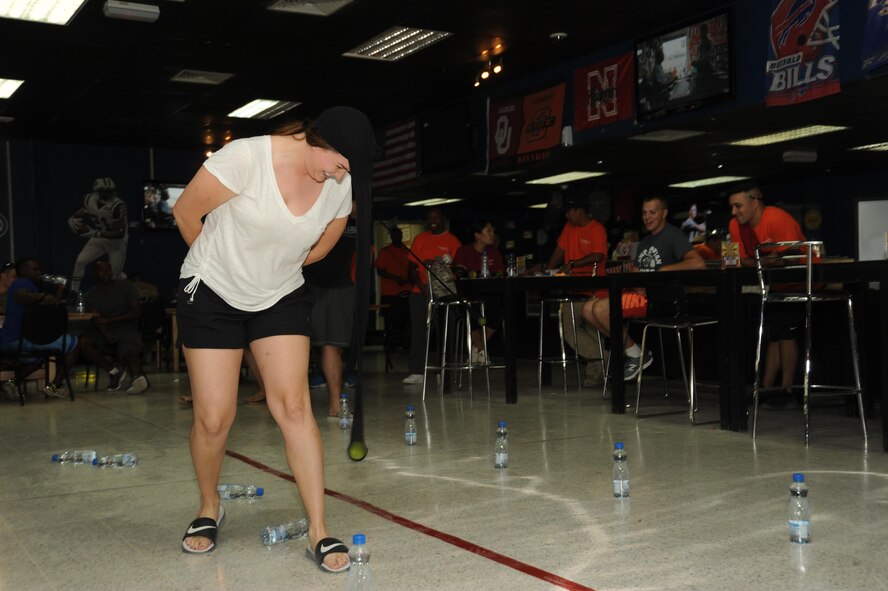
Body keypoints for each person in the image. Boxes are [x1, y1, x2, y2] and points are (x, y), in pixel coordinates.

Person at [172, 106, 378, 573]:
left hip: (279, 296)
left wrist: (276, 268)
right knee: (214, 418)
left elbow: (326, 240)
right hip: (212, 291)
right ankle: (209, 507)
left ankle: (319, 528)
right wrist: (227, 269)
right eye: (340, 161)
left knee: (294, 407)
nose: (342, 173)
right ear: (317, 139)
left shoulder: (339, 184)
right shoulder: (246, 159)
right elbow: (185, 213)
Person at [582, 196, 705, 381]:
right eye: (644, 213)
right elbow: (638, 272)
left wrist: (662, 270)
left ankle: (635, 355)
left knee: (600, 309)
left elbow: (698, 263)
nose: (647, 217)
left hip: (663, 300)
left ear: (664, 213)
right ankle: (635, 352)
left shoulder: (673, 235)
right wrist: (636, 279)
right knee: (587, 310)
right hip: (643, 297)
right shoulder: (645, 242)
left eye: (652, 212)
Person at [728, 185, 806, 406]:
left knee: (784, 333)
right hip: (771, 285)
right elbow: (742, 260)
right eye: (732, 206)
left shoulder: (777, 218)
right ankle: (767, 390)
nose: (734, 211)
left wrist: (767, 260)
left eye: (738, 206)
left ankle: (787, 391)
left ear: (755, 202)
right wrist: (769, 258)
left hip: (798, 282)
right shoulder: (735, 225)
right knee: (775, 334)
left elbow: (791, 258)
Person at [546, 197, 609, 385]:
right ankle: (604, 357)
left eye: (570, 211)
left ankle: (596, 373)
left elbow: (599, 255)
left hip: (593, 289)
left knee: (592, 330)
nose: (567, 215)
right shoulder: (568, 228)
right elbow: (559, 249)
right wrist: (549, 270)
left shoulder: (597, 228)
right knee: (569, 331)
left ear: (580, 210)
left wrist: (573, 264)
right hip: (572, 289)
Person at [303, 201, 357, 418]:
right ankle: (295, 407)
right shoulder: (317, 209)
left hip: (340, 286)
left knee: (332, 345)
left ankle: (336, 404)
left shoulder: (355, 222)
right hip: (308, 284)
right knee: (300, 346)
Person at [0, 257, 81, 398]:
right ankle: (54, 385)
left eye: (39, 269)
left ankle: (13, 382)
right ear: (23, 270)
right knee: (75, 344)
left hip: (9, 340)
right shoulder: (22, 283)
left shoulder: (28, 284)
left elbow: (48, 306)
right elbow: (22, 296)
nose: (39, 272)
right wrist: (41, 296)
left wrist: (56, 294)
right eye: (35, 269)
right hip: (20, 339)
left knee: (39, 356)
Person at [403, 207, 461, 385]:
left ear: (443, 218)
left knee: (444, 332)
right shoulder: (420, 239)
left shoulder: (453, 241)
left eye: (436, 217)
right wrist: (421, 286)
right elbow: (411, 267)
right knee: (419, 332)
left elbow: (457, 269)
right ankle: (417, 371)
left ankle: (442, 369)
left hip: (443, 293)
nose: (433, 220)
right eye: (430, 218)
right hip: (420, 292)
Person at [79, 260, 149, 394]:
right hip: (102, 330)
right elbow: (97, 318)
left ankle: (136, 379)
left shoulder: (125, 286)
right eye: (102, 270)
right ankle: (113, 371)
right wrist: (106, 334)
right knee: (83, 342)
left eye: (108, 269)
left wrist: (110, 319)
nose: (106, 273)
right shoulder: (90, 295)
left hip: (126, 326)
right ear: (94, 273)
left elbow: (136, 312)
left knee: (129, 349)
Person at [452, 219, 505, 363]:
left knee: (497, 309)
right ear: (477, 235)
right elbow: (457, 272)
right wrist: (474, 269)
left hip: (488, 294)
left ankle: (477, 347)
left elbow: (500, 272)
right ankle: (481, 350)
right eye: (488, 231)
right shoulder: (464, 251)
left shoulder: (493, 252)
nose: (492, 234)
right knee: (472, 310)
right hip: (467, 295)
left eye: (492, 231)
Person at [68, 177, 128, 292]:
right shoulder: (88, 199)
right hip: (99, 237)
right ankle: (73, 292)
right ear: (97, 192)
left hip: (116, 242)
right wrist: (73, 219)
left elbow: (119, 233)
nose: (108, 195)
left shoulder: (118, 206)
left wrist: (94, 233)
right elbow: (83, 212)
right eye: (105, 192)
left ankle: (126, 287)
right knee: (80, 261)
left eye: (110, 192)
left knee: (115, 275)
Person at [375, 226, 412, 351]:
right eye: (395, 235)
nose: (398, 238)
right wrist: (396, 278)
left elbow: (412, 269)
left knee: (406, 319)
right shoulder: (385, 251)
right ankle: (391, 345)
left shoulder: (407, 251)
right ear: (391, 237)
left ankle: (406, 344)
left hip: (405, 291)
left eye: (399, 235)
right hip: (390, 292)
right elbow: (380, 271)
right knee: (390, 321)